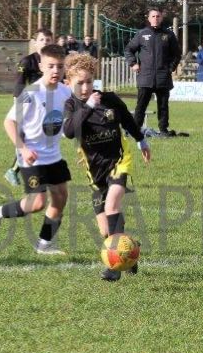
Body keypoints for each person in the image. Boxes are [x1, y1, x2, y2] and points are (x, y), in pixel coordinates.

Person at [62, 53, 151, 281]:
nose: (85, 87)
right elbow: (70, 131)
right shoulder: (71, 106)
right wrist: (88, 107)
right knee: (105, 230)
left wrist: (141, 140)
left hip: (118, 161)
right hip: (95, 173)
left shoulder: (109, 99)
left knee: (112, 205)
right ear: (68, 83)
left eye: (89, 81)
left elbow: (127, 120)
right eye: (79, 83)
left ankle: (114, 268)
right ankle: (130, 249)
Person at [0, 44, 72, 255]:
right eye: (51, 66)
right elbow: (9, 122)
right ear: (41, 66)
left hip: (54, 155)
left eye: (60, 66)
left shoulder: (65, 92)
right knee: (37, 203)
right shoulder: (31, 93)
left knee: (60, 198)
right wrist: (22, 149)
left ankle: (45, 244)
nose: (56, 71)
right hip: (31, 155)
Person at [3, 28, 54, 186]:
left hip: (48, 104)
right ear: (35, 43)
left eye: (48, 40)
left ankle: (16, 170)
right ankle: (15, 170)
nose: (45, 42)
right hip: (30, 104)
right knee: (31, 138)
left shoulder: (54, 62)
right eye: (42, 40)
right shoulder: (27, 61)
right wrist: (18, 107)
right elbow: (19, 84)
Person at [124, 6, 181, 135]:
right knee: (141, 105)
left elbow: (177, 54)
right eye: (153, 16)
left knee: (163, 106)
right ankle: (135, 130)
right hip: (145, 77)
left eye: (158, 16)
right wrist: (133, 63)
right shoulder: (141, 34)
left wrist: (170, 68)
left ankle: (163, 130)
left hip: (163, 76)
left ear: (161, 18)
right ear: (149, 18)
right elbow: (128, 50)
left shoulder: (169, 35)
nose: (156, 18)